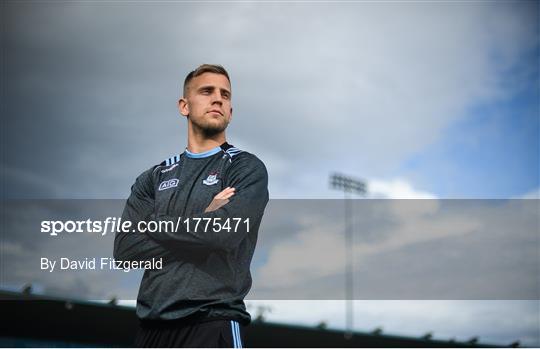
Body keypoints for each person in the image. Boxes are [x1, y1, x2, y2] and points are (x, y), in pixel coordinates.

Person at [114, 64, 269, 348]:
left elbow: (223, 234)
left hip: (211, 322)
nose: (218, 98)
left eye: (225, 94)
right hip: (151, 330)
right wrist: (204, 216)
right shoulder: (153, 178)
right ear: (184, 106)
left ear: (231, 112)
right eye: (207, 91)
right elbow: (126, 250)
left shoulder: (245, 168)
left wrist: (152, 226)